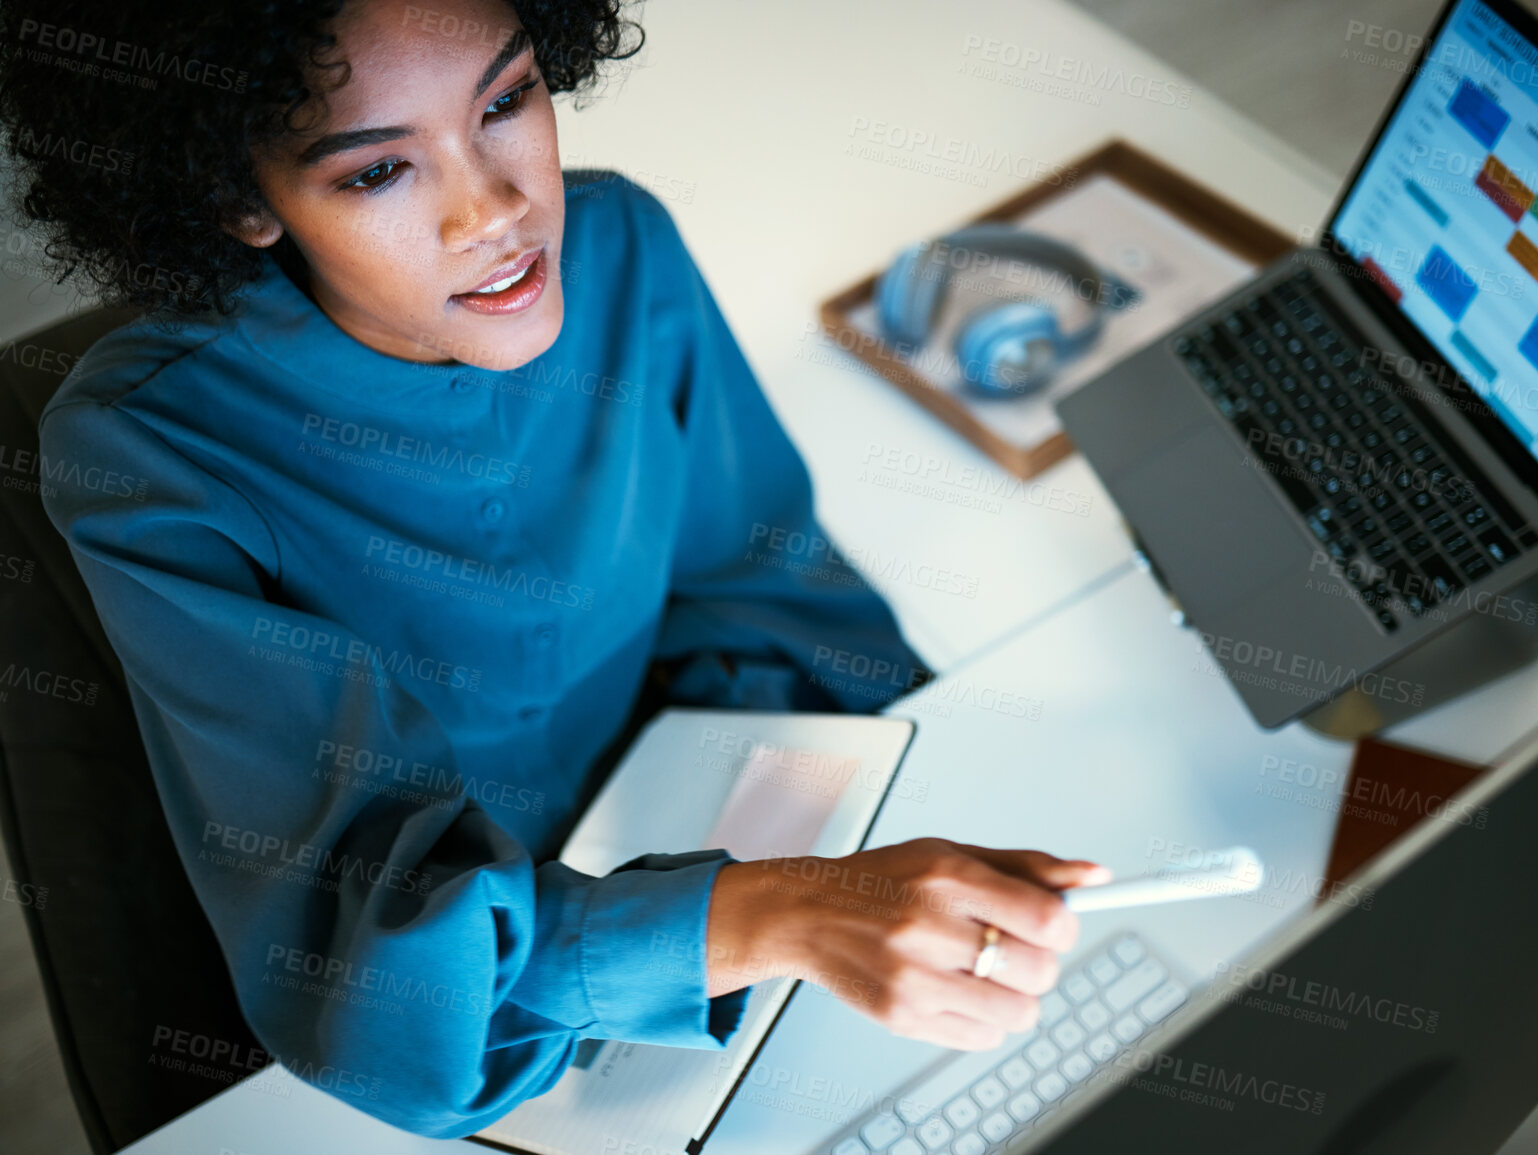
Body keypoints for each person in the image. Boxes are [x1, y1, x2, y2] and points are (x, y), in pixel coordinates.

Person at [1, 0, 1109, 1137]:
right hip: (480, 1029)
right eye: (380, 171)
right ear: (240, 199)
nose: (497, 210)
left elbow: (765, 586)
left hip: (698, 851)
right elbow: (385, 984)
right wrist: (762, 914)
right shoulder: (150, 452)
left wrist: (819, 832)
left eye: (505, 101)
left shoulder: (626, 248)